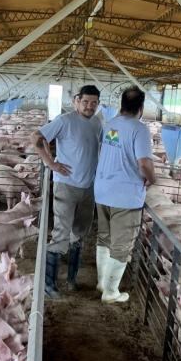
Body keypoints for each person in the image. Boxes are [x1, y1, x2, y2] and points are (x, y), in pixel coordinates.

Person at [32, 85, 103, 298]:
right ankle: (48, 285)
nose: (90, 106)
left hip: (89, 187)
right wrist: (51, 164)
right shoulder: (65, 120)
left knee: (79, 234)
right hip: (66, 185)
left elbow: (107, 145)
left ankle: (71, 280)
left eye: (94, 103)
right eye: (86, 102)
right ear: (76, 101)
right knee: (61, 234)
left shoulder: (98, 123)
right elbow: (36, 137)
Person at [92, 86, 156, 303]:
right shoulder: (140, 129)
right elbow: (145, 163)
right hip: (125, 195)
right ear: (141, 107)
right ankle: (110, 292)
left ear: (121, 105)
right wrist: (153, 179)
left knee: (104, 236)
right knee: (122, 245)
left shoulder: (111, 124)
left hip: (102, 190)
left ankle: (102, 281)